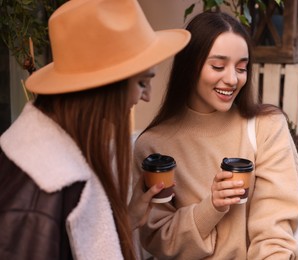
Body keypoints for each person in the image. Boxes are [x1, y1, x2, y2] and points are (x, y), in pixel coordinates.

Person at [0, 0, 190, 259]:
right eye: (143, 83)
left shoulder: (58, 154)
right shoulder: (44, 191)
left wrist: (128, 219)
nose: (147, 97)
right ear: (104, 88)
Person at [133, 11, 298, 259]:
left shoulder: (266, 126)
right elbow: (159, 239)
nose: (232, 79)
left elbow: (274, 233)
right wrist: (210, 208)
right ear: (190, 66)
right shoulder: (153, 147)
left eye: (242, 68)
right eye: (218, 66)